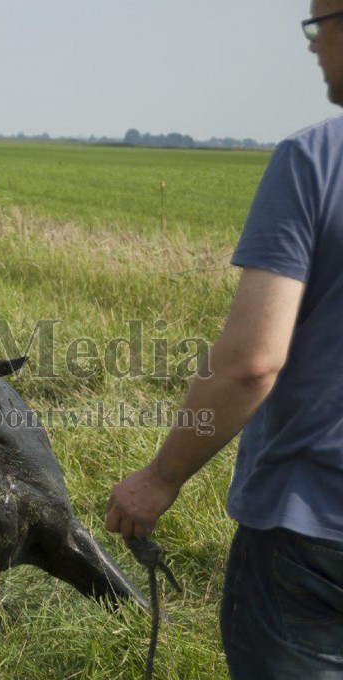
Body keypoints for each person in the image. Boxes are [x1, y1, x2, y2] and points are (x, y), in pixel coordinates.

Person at [105, 2, 343, 676]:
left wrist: (159, 479)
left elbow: (251, 362)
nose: (310, 46)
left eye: (316, 24)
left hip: (313, 531)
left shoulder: (315, 161)